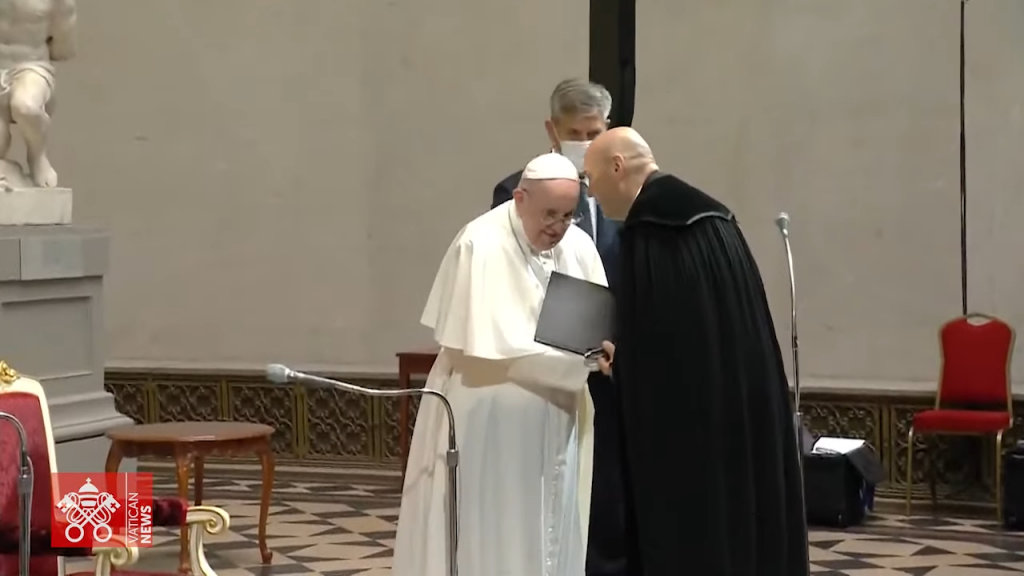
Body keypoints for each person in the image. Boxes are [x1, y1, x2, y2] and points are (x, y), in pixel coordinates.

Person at [583, 127, 810, 575]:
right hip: (741, 401)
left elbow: (666, 357)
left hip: (693, 433)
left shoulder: (652, 233)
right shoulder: (713, 218)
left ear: (617, 167)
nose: (590, 191)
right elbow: (692, 335)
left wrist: (622, 369)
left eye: (591, 178)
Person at [393, 153, 607, 576]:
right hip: (489, 421)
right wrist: (573, 365)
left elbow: (591, 325)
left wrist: (598, 350)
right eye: (549, 214)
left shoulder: (578, 244)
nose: (558, 227)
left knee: (554, 522)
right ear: (520, 199)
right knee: (493, 526)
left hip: (558, 416)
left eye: (568, 215)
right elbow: (488, 347)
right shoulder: (479, 243)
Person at [492, 78, 627, 576]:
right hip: (549, 358)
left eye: (595, 132)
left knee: (608, 481)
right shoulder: (516, 191)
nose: (586, 142)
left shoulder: (621, 192)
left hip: (609, 358)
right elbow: (515, 276)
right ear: (552, 130)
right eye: (575, 133)